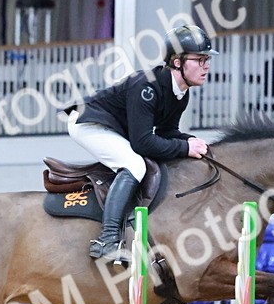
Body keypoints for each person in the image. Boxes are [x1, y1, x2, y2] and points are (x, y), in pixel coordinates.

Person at [65, 24, 216, 266]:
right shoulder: (146, 86)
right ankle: (107, 240)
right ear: (177, 62)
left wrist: (188, 140)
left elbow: (167, 132)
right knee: (134, 164)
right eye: (199, 59)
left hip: (114, 128)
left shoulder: (180, 94)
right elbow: (143, 142)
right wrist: (185, 148)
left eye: (206, 59)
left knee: (140, 160)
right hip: (88, 123)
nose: (206, 65)